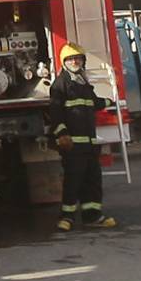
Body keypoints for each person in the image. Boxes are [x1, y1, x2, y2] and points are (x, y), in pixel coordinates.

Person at [46, 43, 117, 232]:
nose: (75, 61)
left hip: (90, 145)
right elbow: (55, 112)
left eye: (78, 58)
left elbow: (93, 103)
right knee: (73, 181)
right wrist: (61, 134)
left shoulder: (83, 83)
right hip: (73, 146)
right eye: (71, 59)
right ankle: (66, 217)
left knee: (92, 181)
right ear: (64, 62)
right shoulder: (60, 85)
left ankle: (93, 216)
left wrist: (110, 101)